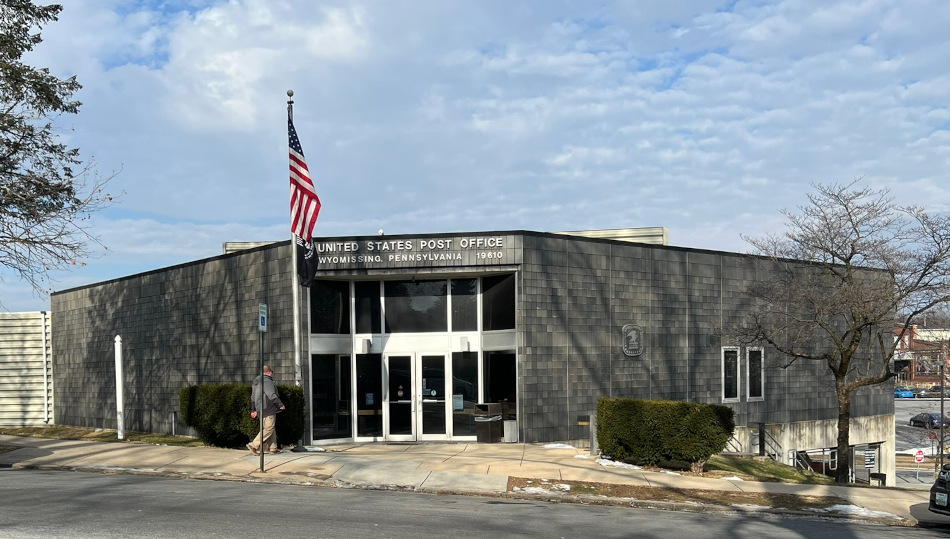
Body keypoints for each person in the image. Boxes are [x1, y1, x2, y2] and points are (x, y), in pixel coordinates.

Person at [247, 365, 285, 455]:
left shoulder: (256, 382)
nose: (272, 374)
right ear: (269, 372)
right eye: (272, 372)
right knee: (269, 428)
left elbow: (252, 397)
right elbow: (271, 394)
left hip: (260, 408)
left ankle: (273, 448)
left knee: (270, 428)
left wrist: (253, 409)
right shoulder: (267, 381)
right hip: (268, 407)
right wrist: (280, 404)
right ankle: (253, 445)